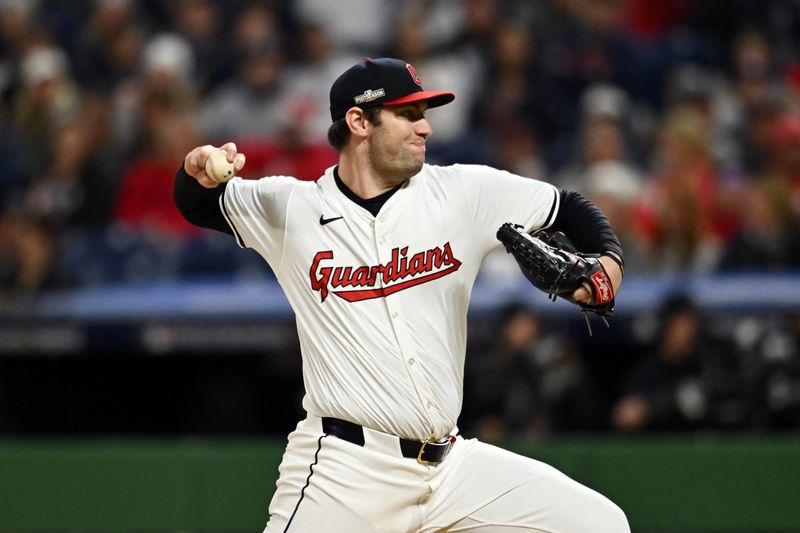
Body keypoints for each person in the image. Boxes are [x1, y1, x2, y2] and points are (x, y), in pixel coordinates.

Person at [174, 57, 628, 532]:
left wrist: (610, 263)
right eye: (408, 115)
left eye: (424, 114)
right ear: (358, 121)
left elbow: (568, 206)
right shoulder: (294, 208)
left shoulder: (461, 192)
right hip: (345, 473)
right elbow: (198, 203)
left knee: (599, 524)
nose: (426, 127)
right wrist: (195, 171)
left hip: (450, 468)